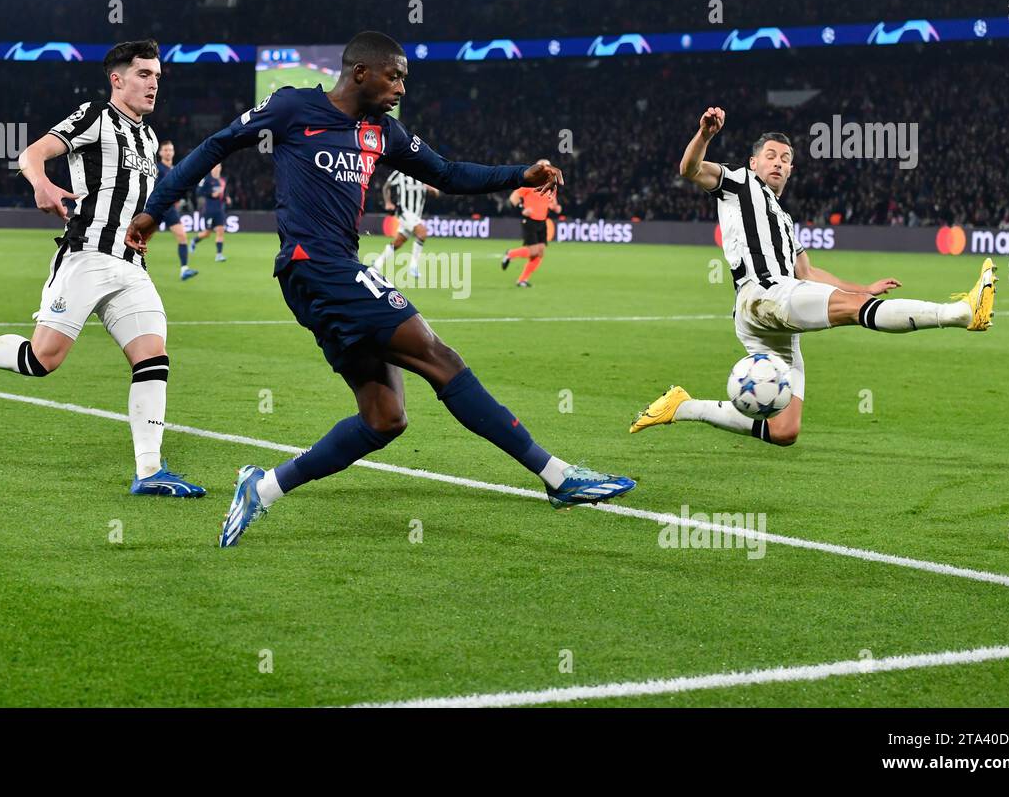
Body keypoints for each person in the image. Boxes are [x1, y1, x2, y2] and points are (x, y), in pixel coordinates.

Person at [128, 31, 636, 546]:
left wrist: (519, 175)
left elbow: (448, 173)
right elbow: (216, 145)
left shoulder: (383, 132)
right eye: (394, 76)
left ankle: (263, 488)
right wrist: (152, 212)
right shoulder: (291, 107)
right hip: (316, 265)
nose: (401, 88)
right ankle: (558, 477)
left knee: (385, 418)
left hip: (330, 274)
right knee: (442, 358)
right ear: (360, 73)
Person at [0, 39, 205, 497]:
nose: (153, 84)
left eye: (158, 77)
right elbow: (31, 154)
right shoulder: (94, 116)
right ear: (117, 79)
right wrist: (42, 183)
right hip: (85, 256)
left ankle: (149, 472)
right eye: (144, 75)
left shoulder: (148, 137)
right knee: (41, 360)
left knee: (152, 359)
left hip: (131, 267)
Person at [630, 106, 996, 446]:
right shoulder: (739, 183)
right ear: (753, 161)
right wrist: (705, 135)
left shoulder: (785, 222)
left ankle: (683, 407)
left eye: (785, 159)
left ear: (791, 170)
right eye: (770, 156)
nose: (777, 162)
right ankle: (961, 313)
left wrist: (862, 288)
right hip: (763, 295)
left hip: (771, 313)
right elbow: (689, 169)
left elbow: (808, 272)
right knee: (856, 311)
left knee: (785, 430)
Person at [376, 168, 437, 279]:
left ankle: (377, 264)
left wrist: (432, 190)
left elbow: (436, 193)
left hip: (416, 215)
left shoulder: (424, 174)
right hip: (404, 212)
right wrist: (388, 202)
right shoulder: (400, 173)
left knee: (399, 242)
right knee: (422, 233)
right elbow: (386, 186)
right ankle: (413, 266)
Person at [501, 185, 560, 287]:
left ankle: (522, 280)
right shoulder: (529, 184)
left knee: (540, 252)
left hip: (542, 222)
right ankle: (510, 254)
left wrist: (556, 207)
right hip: (530, 221)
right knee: (533, 251)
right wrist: (522, 209)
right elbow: (514, 197)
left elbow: (553, 203)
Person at [157, 140, 198, 280]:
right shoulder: (157, 169)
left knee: (182, 236)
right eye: (166, 150)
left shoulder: (174, 169)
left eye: (170, 150)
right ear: (160, 152)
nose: (168, 152)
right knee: (143, 237)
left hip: (169, 209)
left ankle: (184, 270)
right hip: (157, 207)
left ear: (173, 152)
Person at [190, 163, 228, 261]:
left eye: (219, 167)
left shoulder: (222, 180)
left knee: (220, 230)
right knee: (207, 233)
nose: (217, 169)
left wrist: (226, 198)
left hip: (219, 210)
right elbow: (199, 191)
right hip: (209, 210)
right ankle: (194, 240)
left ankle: (219, 255)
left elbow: (223, 192)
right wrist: (211, 194)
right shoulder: (206, 179)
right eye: (215, 167)